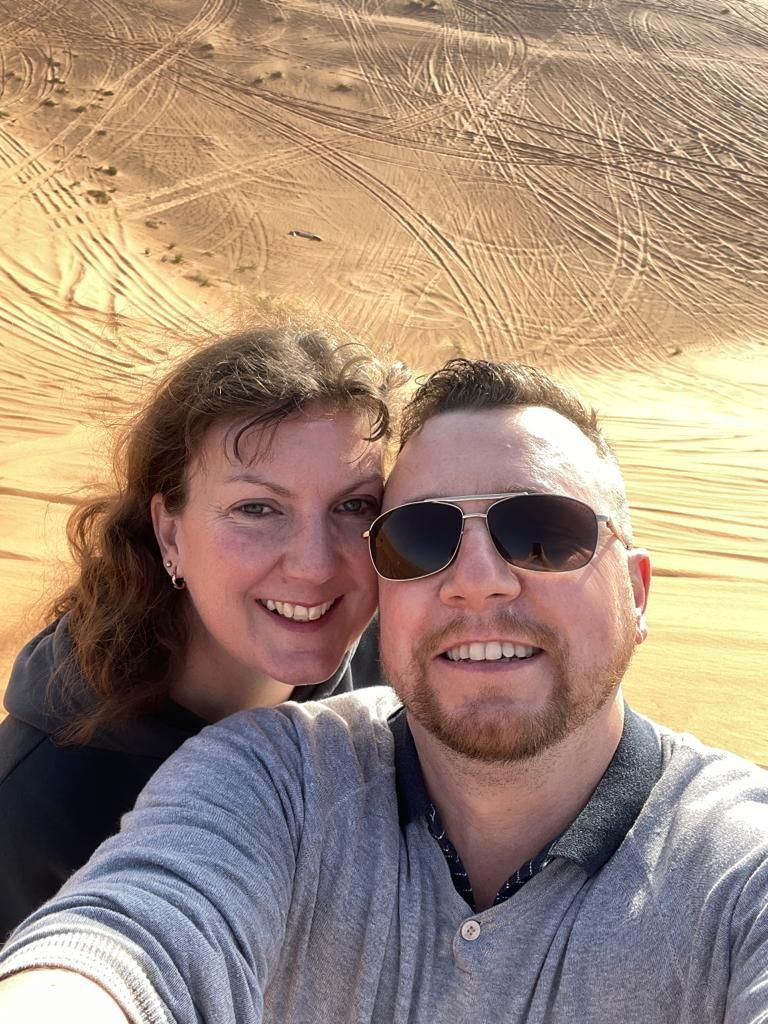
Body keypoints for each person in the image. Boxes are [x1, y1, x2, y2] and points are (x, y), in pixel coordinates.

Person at [1, 357, 767, 1023]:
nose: (475, 583)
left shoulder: (737, 869)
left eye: (544, 533)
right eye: (422, 537)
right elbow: (131, 941)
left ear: (636, 593)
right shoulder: (271, 778)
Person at [0, 325, 402, 938]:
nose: (316, 566)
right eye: (257, 509)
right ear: (170, 535)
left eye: (355, 507)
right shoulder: (43, 797)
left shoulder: (399, 673)